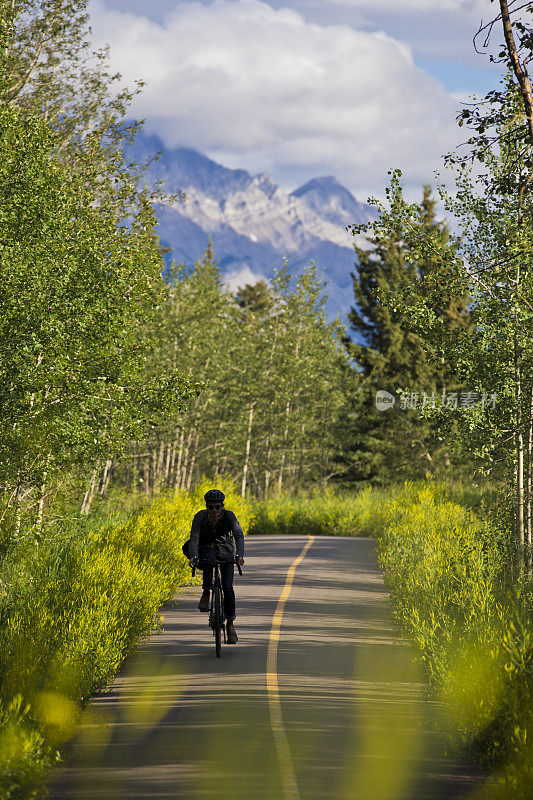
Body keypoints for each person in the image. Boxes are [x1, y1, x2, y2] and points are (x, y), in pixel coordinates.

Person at [188, 489, 245, 644]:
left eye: (217, 507)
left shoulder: (229, 516)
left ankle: (231, 625)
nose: (214, 510)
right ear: (207, 506)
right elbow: (193, 538)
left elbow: (239, 536)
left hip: (226, 549)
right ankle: (206, 592)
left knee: (228, 587)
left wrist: (239, 556)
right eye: (211, 507)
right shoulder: (200, 517)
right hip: (206, 547)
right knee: (207, 560)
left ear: (222, 506)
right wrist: (194, 556)